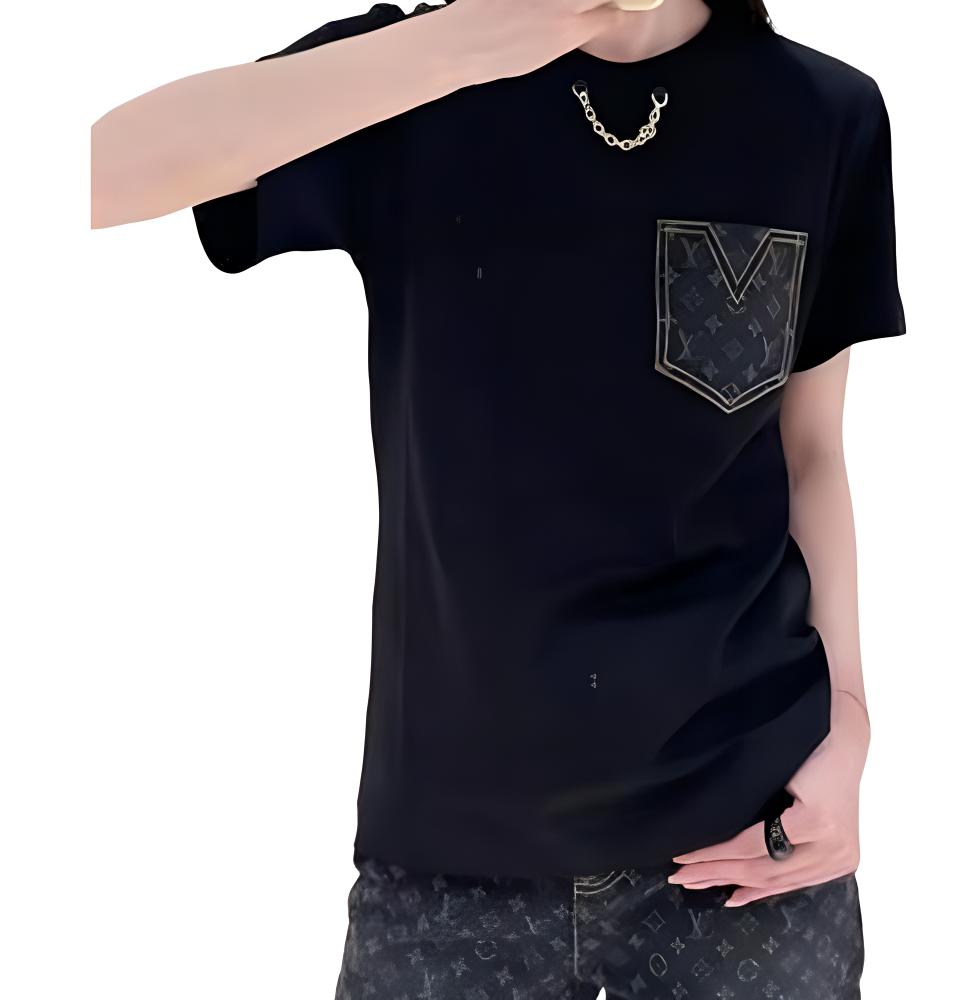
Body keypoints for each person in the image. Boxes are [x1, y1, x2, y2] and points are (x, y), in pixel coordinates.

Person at [91, 0, 906, 995]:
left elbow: (809, 449)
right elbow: (96, 172)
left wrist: (850, 721)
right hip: (450, 852)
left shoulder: (823, 112)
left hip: (749, 838)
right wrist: (461, 43)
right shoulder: (416, 82)